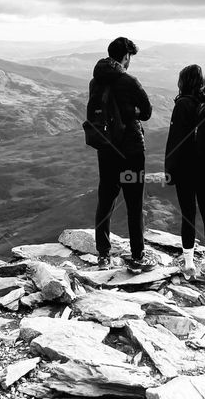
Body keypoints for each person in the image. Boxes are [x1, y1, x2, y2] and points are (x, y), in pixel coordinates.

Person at [87, 37, 157, 272]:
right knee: (134, 202)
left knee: (105, 199)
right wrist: (131, 111)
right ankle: (138, 255)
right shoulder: (129, 81)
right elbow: (146, 112)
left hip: (106, 148)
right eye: (130, 58)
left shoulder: (95, 81)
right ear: (126, 56)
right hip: (131, 151)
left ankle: (103, 255)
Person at [164, 64, 205, 279]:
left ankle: (188, 265)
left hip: (186, 167)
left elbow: (174, 141)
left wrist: (169, 170)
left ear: (183, 82)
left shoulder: (183, 105)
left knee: (188, 214)